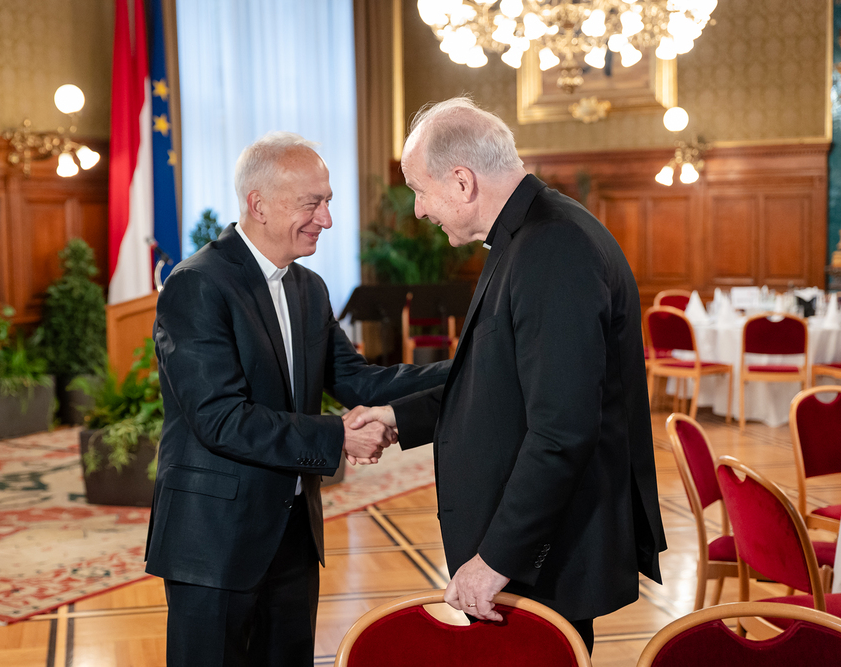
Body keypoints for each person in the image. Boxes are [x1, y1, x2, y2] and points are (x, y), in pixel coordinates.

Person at [345, 98, 667, 653]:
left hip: (546, 553)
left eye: (420, 190)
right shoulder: (527, 234)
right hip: (537, 547)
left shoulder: (553, 245)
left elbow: (562, 429)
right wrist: (400, 416)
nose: (418, 210)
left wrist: (496, 559)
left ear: (462, 181)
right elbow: (495, 376)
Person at [145, 131, 450, 667]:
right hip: (213, 541)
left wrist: (471, 367)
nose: (326, 219)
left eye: (327, 202)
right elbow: (220, 419)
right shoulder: (197, 285)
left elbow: (359, 382)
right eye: (312, 204)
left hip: (293, 535)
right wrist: (340, 436)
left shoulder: (308, 287)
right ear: (258, 204)